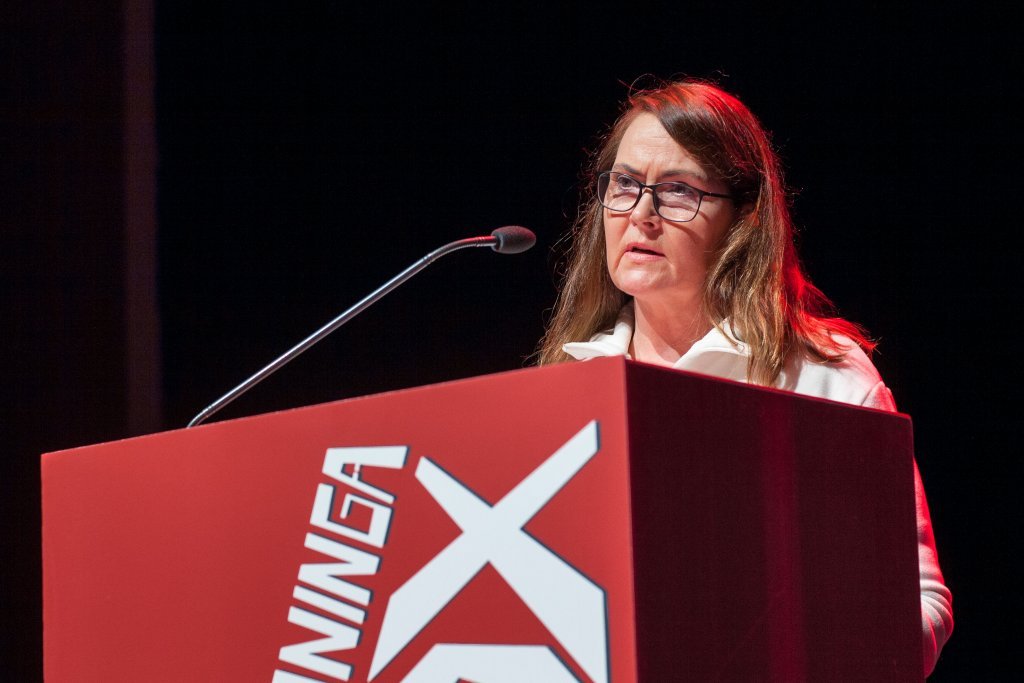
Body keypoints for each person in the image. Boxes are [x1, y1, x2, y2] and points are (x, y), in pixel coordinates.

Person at [537, 78, 953, 676]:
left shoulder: (822, 377)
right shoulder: (566, 382)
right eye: (624, 184)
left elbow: (919, 604)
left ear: (744, 217)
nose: (642, 215)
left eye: (678, 191)